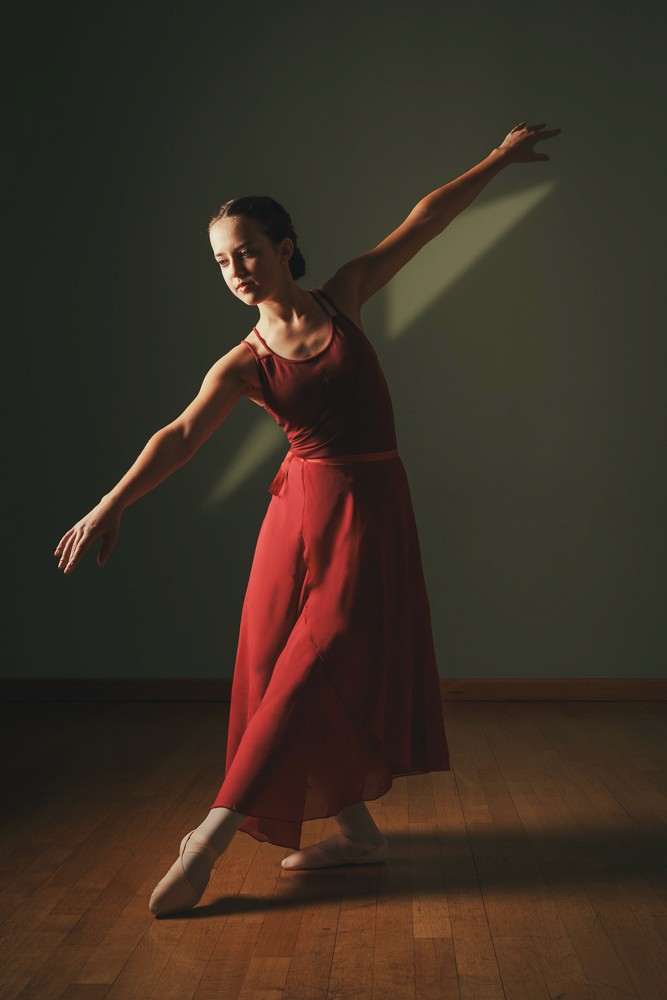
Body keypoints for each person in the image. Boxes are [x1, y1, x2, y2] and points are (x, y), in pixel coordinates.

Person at [54, 121, 561, 917]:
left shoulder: (346, 295)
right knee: (269, 673)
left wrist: (496, 160)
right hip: (295, 520)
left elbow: (423, 221)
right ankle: (357, 833)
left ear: (286, 247)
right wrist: (110, 502)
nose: (235, 271)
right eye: (222, 261)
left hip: (368, 513)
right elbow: (180, 436)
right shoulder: (243, 363)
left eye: (247, 252)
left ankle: (205, 842)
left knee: (310, 666)